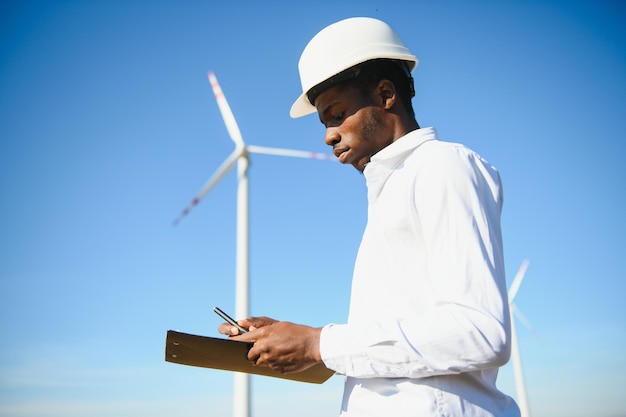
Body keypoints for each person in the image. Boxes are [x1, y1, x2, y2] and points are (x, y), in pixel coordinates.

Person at [219, 17, 521, 417]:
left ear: (384, 95)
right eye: (324, 121)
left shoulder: (441, 165)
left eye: (336, 113)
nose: (328, 135)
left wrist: (318, 343)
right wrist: (303, 344)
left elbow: (481, 333)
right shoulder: (393, 190)